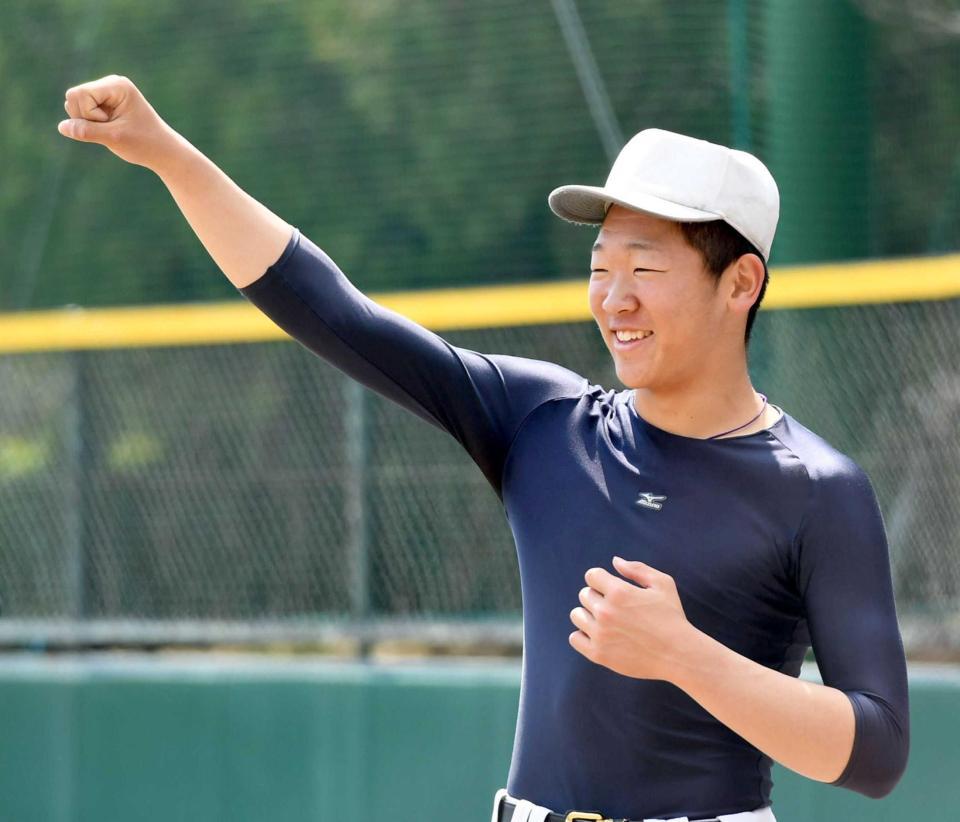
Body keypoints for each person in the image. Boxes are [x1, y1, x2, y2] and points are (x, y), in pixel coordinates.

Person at [58, 76, 910, 822]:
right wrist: (165, 152)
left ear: (741, 283)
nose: (614, 298)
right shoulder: (544, 420)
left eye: (645, 269)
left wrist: (684, 655)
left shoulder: (816, 488)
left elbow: (876, 753)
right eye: (599, 266)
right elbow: (331, 309)